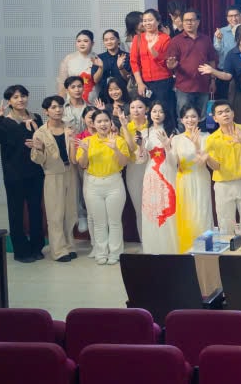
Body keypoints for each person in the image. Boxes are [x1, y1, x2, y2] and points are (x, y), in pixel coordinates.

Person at [0, 85, 46, 263]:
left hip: (35, 172)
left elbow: (43, 140)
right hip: (14, 175)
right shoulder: (4, 122)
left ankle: (37, 247)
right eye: (16, 97)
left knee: (36, 210)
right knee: (16, 212)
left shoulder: (36, 117)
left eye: (23, 96)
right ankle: (21, 251)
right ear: (9, 101)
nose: (20, 100)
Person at [75, 108, 132, 265]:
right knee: (99, 222)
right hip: (93, 185)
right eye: (99, 121)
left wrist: (115, 149)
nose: (103, 124)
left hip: (114, 183)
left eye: (106, 120)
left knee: (114, 221)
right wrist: (84, 151)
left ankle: (115, 252)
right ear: (93, 124)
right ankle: (101, 252)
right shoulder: (87, 141)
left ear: (111, 122)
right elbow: (83, 164)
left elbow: (123, 163)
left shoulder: (118, 140)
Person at [29, 95, 79, 262]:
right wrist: (39, 149)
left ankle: (69, 246)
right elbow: (38, 160)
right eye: (53, 107)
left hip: (70, 172)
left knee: (70, 212)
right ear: (46, 111)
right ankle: (58, 250)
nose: (58, 110)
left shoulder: (69, 128)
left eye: (60, 106)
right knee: (55, 214)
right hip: (53, 174)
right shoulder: (40, 133)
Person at [205, 101, 241, 235]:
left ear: (233, 113)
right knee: (226, 227)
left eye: (227, 111)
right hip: (224, 185)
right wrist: (207, 158)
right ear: (215, 118)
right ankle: (227, 248)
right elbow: (216, 166)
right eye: (220, 113)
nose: (225, 114)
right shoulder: (212, 139)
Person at [136, 100, 181, 254]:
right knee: (152, 211)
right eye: (154, 111)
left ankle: (170, 249)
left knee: (169, 209)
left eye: (161, 112)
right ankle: (152, 249)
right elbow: (141, 160)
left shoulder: (173, 132)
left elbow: (175, 161)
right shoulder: (144, 133)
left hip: (168, 174)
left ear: (166, 114)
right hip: (151, 175)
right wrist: (140, 146)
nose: (157, 114)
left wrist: (167, 146)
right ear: (150, 113)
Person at [165, 8, 217, 123]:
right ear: (182, 23)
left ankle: (201, 135)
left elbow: (212, 61)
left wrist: (213, 80)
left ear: (198, 22)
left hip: (203, 85)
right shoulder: (176, 41)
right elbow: (170, 64)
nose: (189, 23)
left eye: (192, 20)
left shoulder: (206, 39)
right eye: (186, 20)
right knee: (184, 118)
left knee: (203, 118)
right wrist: (171, 66)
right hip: (184, 87)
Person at [172, 105, 213, 249]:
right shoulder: (176, 139)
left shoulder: (206, 137)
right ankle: (187, 247)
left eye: (193, 116)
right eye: (187, 117)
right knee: (186, 213)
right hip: (183, 179)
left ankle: (205, 248)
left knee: (202, 212)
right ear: (181, 120)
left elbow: (202, 162)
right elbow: (174, 163)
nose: (190, 120)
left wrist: (197, 145)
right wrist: (167, 148)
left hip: (200, 177)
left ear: (199, 118)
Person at [130, 9, 175, 117]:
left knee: (164, 111)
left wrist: (153, 52)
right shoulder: (138, 38)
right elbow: (134, 62)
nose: (147, 23)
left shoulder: (165, 38)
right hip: (144, 82)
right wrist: (140, 83)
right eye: (144, 21)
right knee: (147, 111)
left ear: (158, 21)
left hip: (163, 82)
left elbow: (166, 62)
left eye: (150, 20)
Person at [121, 98, 150, 237]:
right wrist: (125, 128)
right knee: (139, 208)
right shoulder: (125, 127)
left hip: (150, 167)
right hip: (133, 168)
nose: (136, 110)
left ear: (147, 109)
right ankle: (145, 242)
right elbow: (128, 149)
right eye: (132, 107)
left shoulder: (152, 125)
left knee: (153, 206)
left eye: (139, 107)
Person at [56, 31, 97, 101]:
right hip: (72, 101)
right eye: (79, 41)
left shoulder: (98, 59)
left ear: (92, 43)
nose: (82, 44)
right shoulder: (68, 59)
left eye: (85, 41)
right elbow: (62, 82)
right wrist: (61, 102)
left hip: (93, 100)